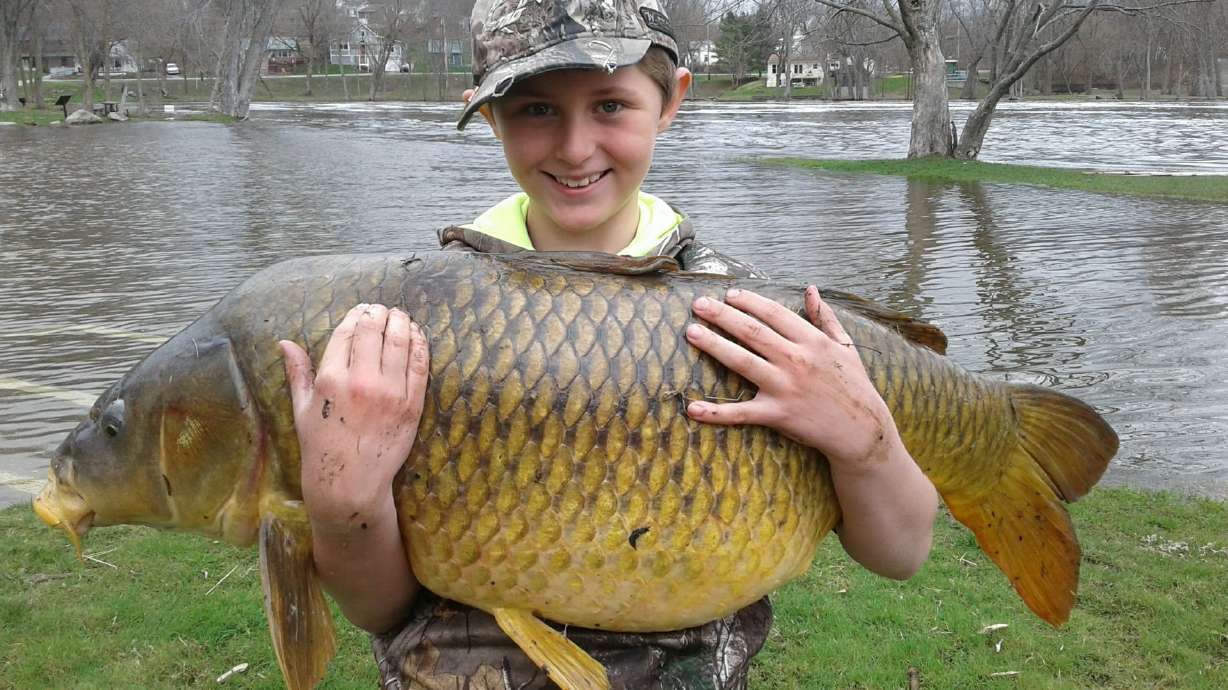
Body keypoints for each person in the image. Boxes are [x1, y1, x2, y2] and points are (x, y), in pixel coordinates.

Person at [278, 1, 939, 687]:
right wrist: (343, 508)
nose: (574, 147)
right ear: (486, 112)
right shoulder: (401, 330)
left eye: (610, 105)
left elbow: (903, 550)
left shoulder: (769, 330)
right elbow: (378, 606)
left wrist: (866, 443)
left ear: (670, 99)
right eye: (536, 109)